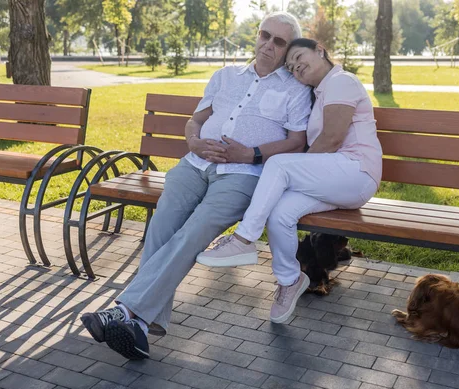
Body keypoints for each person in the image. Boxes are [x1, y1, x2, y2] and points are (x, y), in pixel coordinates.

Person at [80, 12, 312, 360]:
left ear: (288, 48)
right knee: (162, 227)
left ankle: (127, 312)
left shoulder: (295, 89)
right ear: (257, 35)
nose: (268, 45)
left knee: (193, 232)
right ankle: (140, 327)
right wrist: (193, 141)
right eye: (265, 35)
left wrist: (252, 154)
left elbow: (298, 141)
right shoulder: (225, 76)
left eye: (279, 41)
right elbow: (196, 120)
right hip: (194, 164)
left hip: (242, 176)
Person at [196, 38, 383, 324]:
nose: (297, 68)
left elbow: (332, 139)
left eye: (299, 57)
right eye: (292, 67)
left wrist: (291, 171)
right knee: (280, 212)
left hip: (356, 172)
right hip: (336, 178)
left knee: (280, 164)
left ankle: (244, 238)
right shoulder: (321, 92)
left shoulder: (341, 81)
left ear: (320, 49)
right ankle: (289, 280)